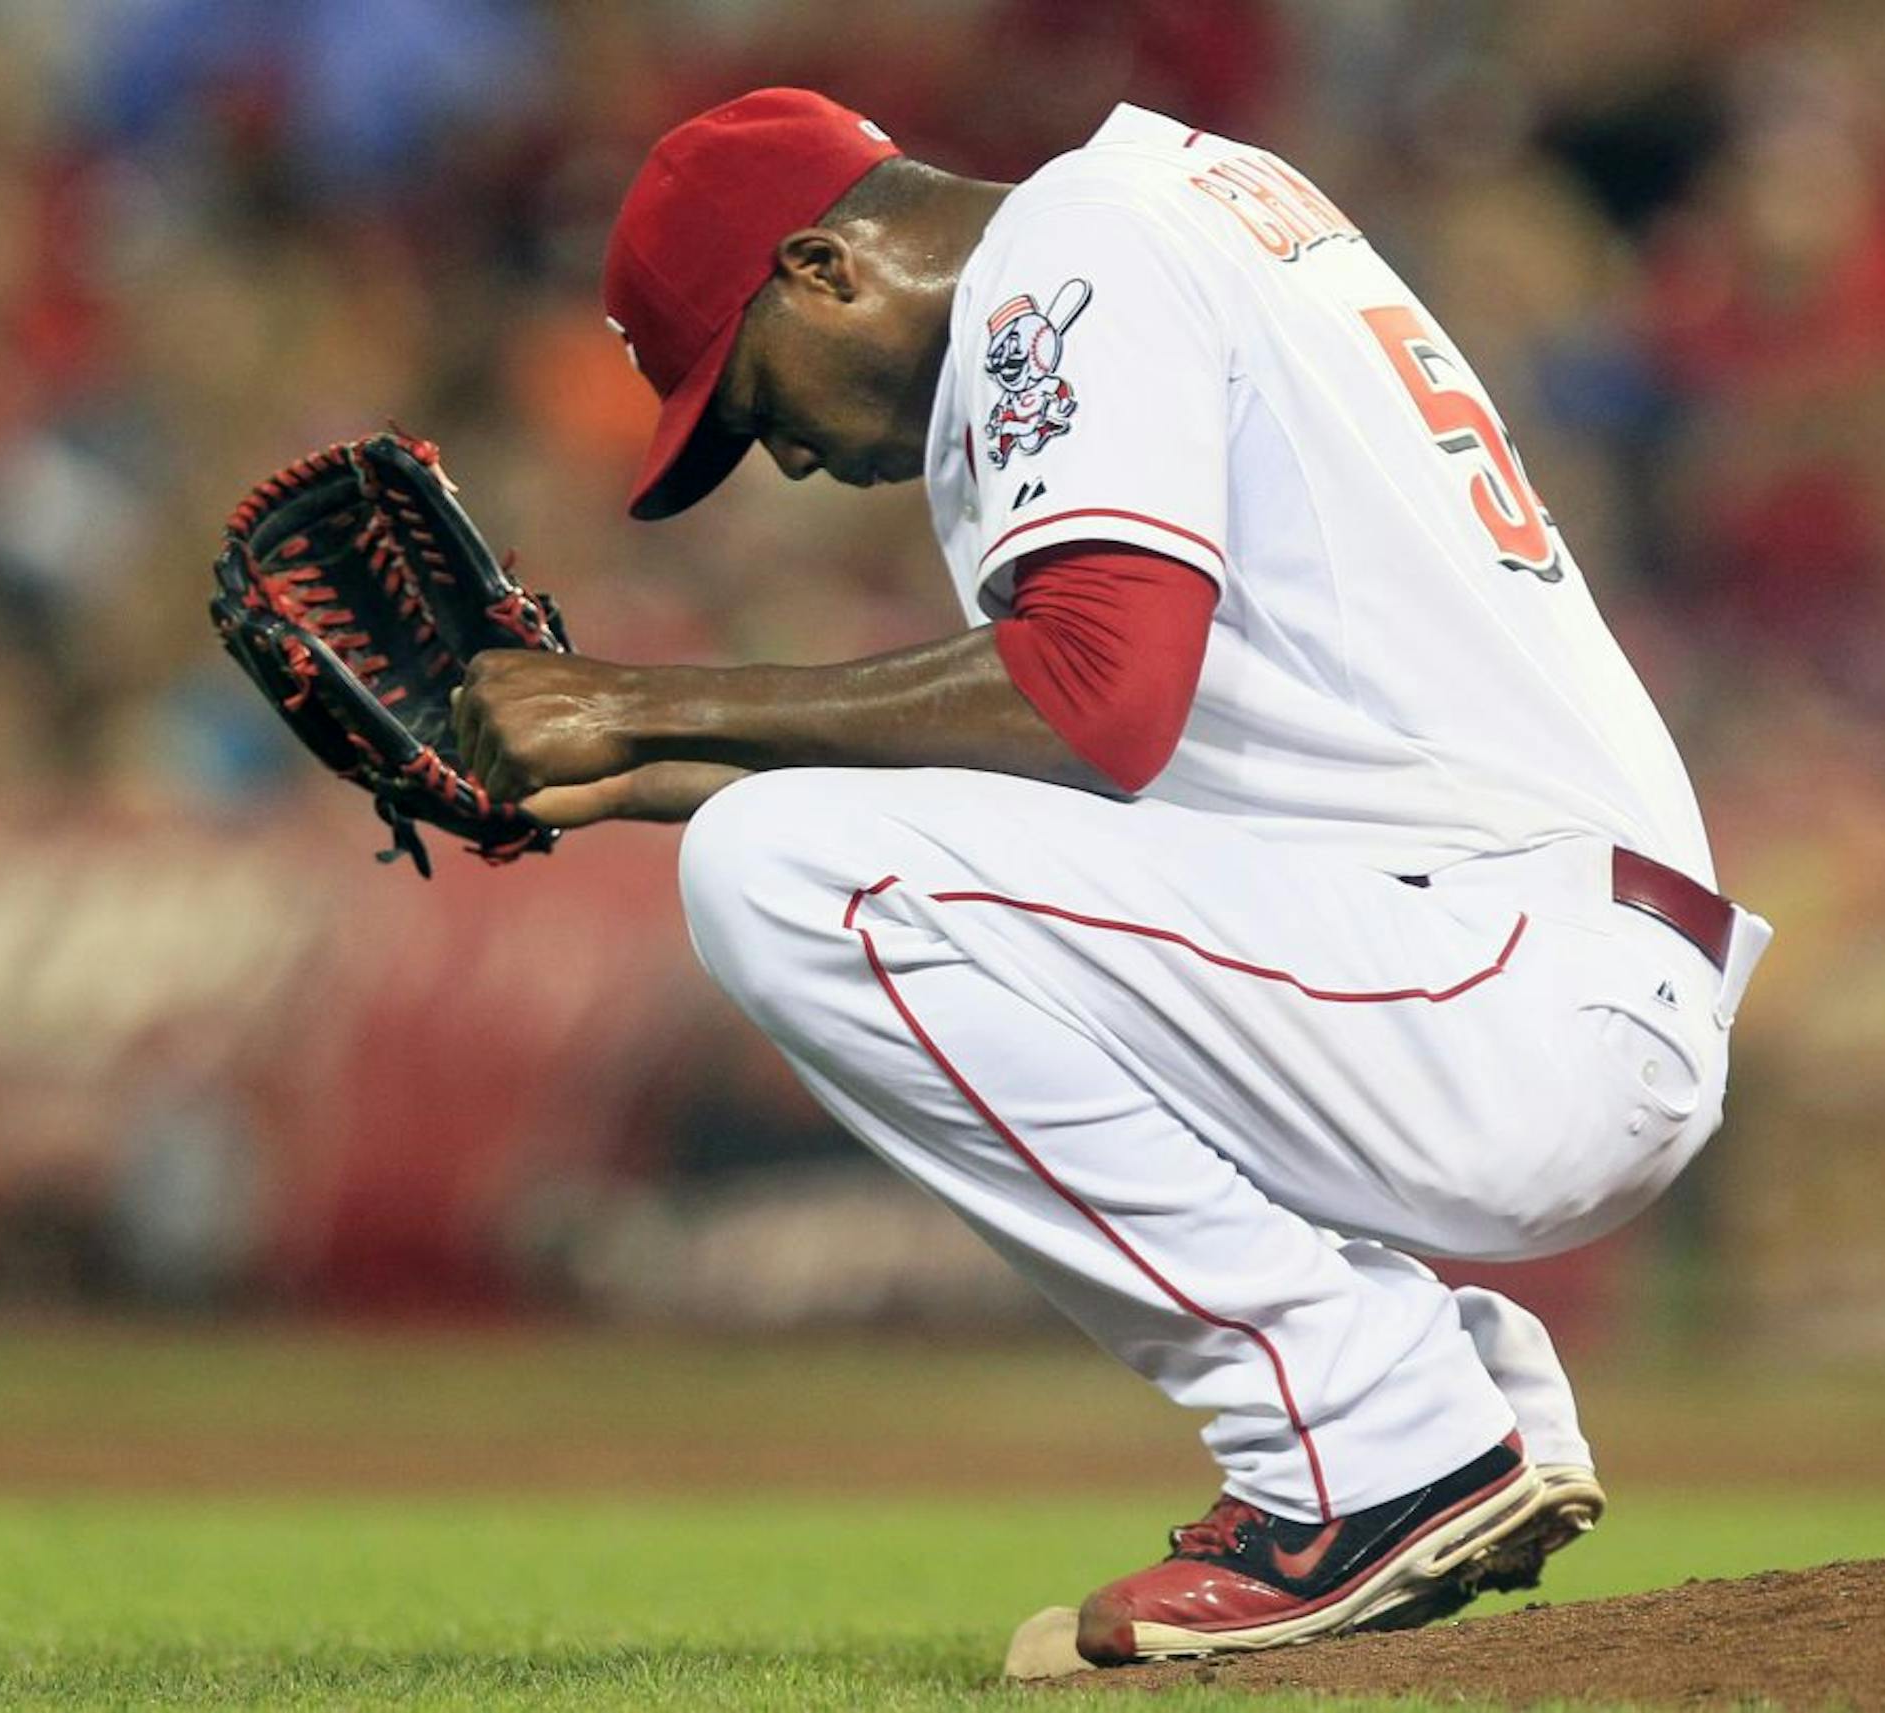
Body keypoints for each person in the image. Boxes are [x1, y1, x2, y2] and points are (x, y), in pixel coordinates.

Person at [451, 87, 1772, 1665]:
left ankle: (1362, 1439)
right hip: (1508, 962)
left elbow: (1092, 691)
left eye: (744, 402)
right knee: (783, 847)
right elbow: (1127, 759)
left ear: (823, 270)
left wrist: (644, 696)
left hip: (1506, 979)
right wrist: (644, 772)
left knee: (782, 873)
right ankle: (1446, 1390)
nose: (774, 459)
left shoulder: (1068, 250)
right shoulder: (1179, 203)